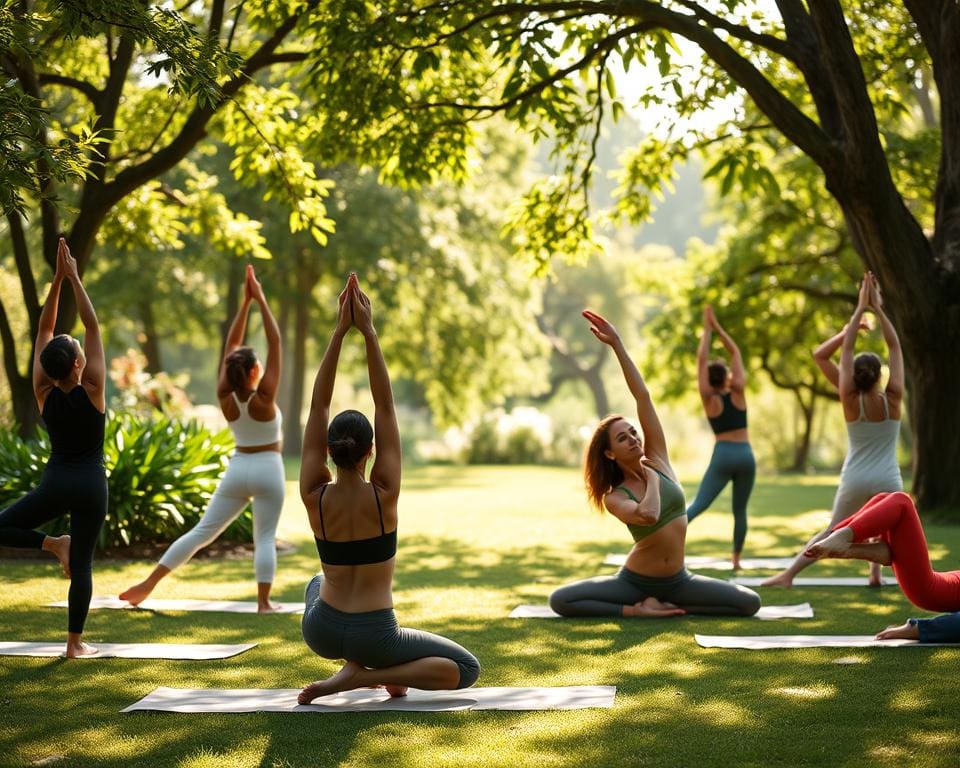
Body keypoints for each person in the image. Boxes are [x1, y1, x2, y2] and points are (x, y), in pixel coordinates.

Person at [298, 274, 479, 703]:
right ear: (370, 452)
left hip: (321, 632)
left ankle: (349, 667)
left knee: (314, 582)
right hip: (376, 635)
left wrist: (340, 331)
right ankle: (360, 677)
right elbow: (386, 405)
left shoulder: (313, 495)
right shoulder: (384, 495)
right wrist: (369, 333)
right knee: (467, 668)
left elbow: (318, 405)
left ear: (328, 450)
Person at [548, 310, 761, 618]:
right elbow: (648, 514)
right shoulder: (615, 495)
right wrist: (650, 476)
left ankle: (668, 605)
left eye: (633, 432)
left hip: (678, 580)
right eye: (623, 439)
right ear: (609, 454)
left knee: (748, 603)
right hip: (634, 582)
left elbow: (643, 396)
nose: (634, 438)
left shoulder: (658, 456)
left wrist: (617, 344)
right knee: (561, 600)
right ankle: (637, 611)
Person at [120, 265, 285, 613]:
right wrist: (260, 299)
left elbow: (232, 346)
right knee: (265, 537)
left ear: (231, 370)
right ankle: (263, 602)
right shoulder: (264, 398)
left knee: (200, 533)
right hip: (269, 467)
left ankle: (148, 585)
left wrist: (244, 305)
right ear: (255, 371)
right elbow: (276, 341)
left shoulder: (225, 394)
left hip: (239, 467)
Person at [0, 238, 107, 657]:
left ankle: (50, 544)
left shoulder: (43, 391)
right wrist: (74, 277)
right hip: (92, 486)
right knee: (81, 566)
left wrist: (56, 282)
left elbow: (45, 331)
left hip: (58, 481)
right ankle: (74, 644)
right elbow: (92, 326)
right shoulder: (94, 389)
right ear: (79, 364)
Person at [763, 272, 903, 588]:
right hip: (888, 478)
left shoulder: (848, 397)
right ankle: (877, 573)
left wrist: (858, 310)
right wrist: (877, 308)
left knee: (832, 531)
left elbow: (847, 349)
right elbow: (895, 347)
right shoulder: (893, 398)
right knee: (890, 531)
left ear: (852, 375)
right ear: (880, 375)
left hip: (855, 478)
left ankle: (788, 575)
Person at [805, 491, 960, 643]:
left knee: (901, 502)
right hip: (950, 583)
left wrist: (919, 628)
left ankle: (842, 537)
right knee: (884, 498)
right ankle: (838, 536)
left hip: (936, 590)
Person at [684, 306, 755, 568]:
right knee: (740, 510)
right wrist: (719, 328)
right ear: (726, 376)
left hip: (724, 453)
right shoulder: (738, 393)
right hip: (746, 454)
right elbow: (735, 352)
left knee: (699, 504)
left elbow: (701, 361)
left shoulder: (708, 398)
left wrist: (707, 329)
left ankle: (668, 542)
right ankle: (736, 560)